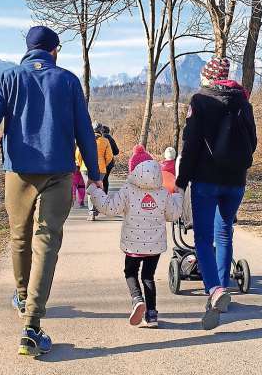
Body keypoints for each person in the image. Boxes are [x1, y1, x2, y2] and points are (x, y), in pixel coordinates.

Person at [0, 25, 101, 356]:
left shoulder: (7, 78)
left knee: (20, 238)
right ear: (54, 50)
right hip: (58, 173)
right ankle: (31, 326)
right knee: (47, 243)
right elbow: (84, 130)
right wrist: (94, 175)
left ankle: (24, 296)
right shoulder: (68, 81)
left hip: (19, 173)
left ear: (28, 50)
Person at [176, 57, 257, 331]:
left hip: (206, 180)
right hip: (236, 181)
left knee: (202, 238)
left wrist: (181, 180)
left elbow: (190, 144)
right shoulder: (243, 102)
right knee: (225, 233)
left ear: (207, 77)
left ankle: (215, 290)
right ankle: (223, 290)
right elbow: (253, 142)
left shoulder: (200, 101)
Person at [88, 144, 183, 327]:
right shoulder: (162, 192)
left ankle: (137, 299)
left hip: (133, 246)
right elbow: (173, 214)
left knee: (130, 272)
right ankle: (152, 315)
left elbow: (109, 207)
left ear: (134, 171)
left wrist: (94, 190)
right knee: (148, 276)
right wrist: (177, 196)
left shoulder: (128, 190)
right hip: (154, 247)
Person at [76, 122, 113, 221]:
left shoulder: (84, 139)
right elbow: (109, 156)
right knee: (98, 189)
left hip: (86, 168)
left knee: (90, 189)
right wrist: (104, 164)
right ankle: (97, 209)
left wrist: (81, 164)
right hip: (100, 169)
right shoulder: (105, 141)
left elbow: (78, 154)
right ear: (101, 130)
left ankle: (92, 212)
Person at [101, 125, 119, 194]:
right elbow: (116, 152)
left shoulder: (100, 139)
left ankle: (99, 195)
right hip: (110, 163)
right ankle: (105, 193)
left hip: (101, 162)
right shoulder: (111, 139)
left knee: (100, 179)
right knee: (105, 179)